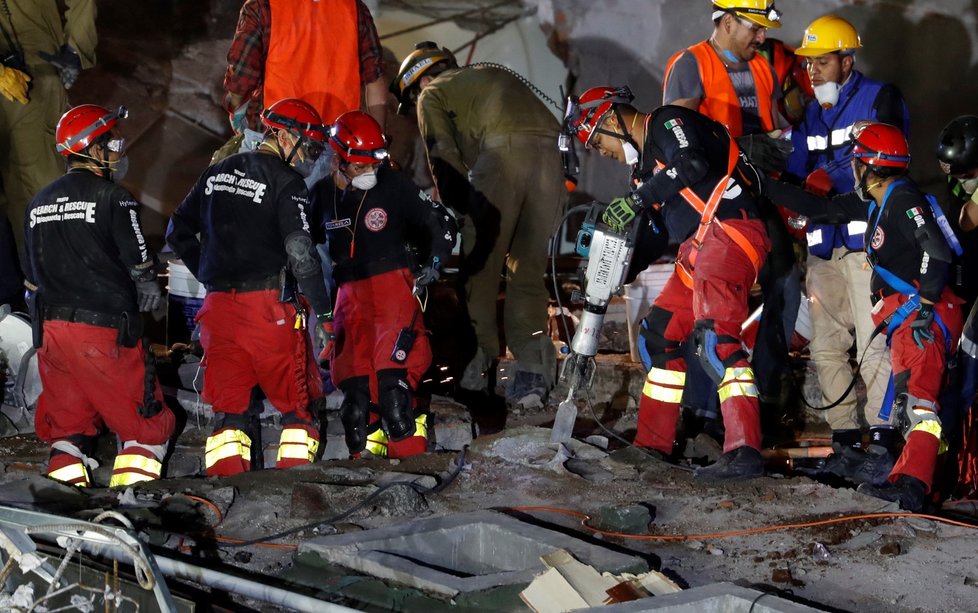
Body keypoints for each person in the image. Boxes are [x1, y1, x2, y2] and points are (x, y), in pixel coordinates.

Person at [566, 87, 771, 480]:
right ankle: (652, 446)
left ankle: (745, 450)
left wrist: (640, 199)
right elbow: (657, 234)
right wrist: (611, 273)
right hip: (698, 248)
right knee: (658, 335)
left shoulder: (665, 122)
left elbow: (691, 163)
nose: (601, 152)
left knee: (716, 342)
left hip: (729, 232)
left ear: (612, 120)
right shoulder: (644, 170)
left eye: (597, 141)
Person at [765, 122, 964, 511]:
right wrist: (763, 185)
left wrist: (923, 307)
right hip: (912, 317)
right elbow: (823, 208)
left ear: (868, 166)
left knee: (920, 406)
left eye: (857, 162)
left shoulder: (904, 200)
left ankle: (911, 485)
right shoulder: (879, 201)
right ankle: (906, 477)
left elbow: (936, 254)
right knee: (913, 403)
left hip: (923, 317)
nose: (853, 169)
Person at [390, 41, 564, 406]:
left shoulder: (431, 94)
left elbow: (442, 156)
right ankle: (533, 373)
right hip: (552, 159)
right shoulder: (488, 75)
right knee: (527, 269)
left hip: (503, 159)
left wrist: (458, 211)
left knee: (479, 270)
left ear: (419, 81)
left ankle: (475, 372)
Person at [166, 98, 333, 477]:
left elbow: (177, 230)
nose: (310, 156)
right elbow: (301, 253)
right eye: (308, 146)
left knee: (229, 412)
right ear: (284, 134)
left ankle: (228, 495)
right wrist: (324, 314)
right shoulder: (287, 182)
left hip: (219, 311)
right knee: (298, 407)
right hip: (269, 312)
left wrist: (207, 273)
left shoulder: (219, 171)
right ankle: (293, 489)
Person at [786, 15, 908, 485]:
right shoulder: (813, 111)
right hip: (823, 247)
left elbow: (890, 156)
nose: (812, 71)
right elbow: (799, 165)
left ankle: (882, 442)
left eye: (821, 61)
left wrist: (831, 181)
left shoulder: (880, 98)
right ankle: (843, 442)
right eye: (808, 62)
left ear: (847, 60)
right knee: (826, 348)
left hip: (863, 244)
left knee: (875, 345)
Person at [25, 104, 174, 488]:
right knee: (145, 428)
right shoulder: (113, 197)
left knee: (69, 426)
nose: (118, 152)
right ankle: (131, 507)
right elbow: (139, 258)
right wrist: (147, 286)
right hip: (104, 331)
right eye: (113, 144)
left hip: (52, 334)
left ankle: (66, 505)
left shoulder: (37, 203)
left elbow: (35, 269)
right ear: (92, 148)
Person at [663, 0, 796, 420]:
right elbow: (677, 139)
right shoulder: (690, 64)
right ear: (726, 21)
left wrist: (776, 147)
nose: (762, 37)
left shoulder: (761, 66)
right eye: (754, 29)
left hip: (754, 196)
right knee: (711, 303)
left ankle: (767, 388)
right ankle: (702, 410)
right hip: (710, 205)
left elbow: (772, 125)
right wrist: (738, 150)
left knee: (786, 281)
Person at [314, 110, 455, 458]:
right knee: (356, 405)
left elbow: (442, 224)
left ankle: (411, 470)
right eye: (360, 167)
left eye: (373, 165)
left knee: (394, 394)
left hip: (392, 287)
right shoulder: (321, 195)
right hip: (349, 296)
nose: (369, 174)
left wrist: (434, 265)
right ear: (338, 160)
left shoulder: (394, 186)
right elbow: (300, 245)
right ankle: (367, 474)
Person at [1, 0, 97, 291]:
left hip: (30, 79)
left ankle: (49, 296)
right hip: (23, 77)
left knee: (38, 193)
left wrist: (75, 49)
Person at [223, 0, 386, 135]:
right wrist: (377, 141)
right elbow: (375, 83)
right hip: (336, 141)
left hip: (275, 137)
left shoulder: (261, 7)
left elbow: (242, 78)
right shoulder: (356, 9)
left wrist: (236, 108)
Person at [934, 115, 978, 496]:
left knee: (964, 378)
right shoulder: (957, 183)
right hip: (966, 285)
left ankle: (947, 471)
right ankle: (947, 468)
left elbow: (966, 221)